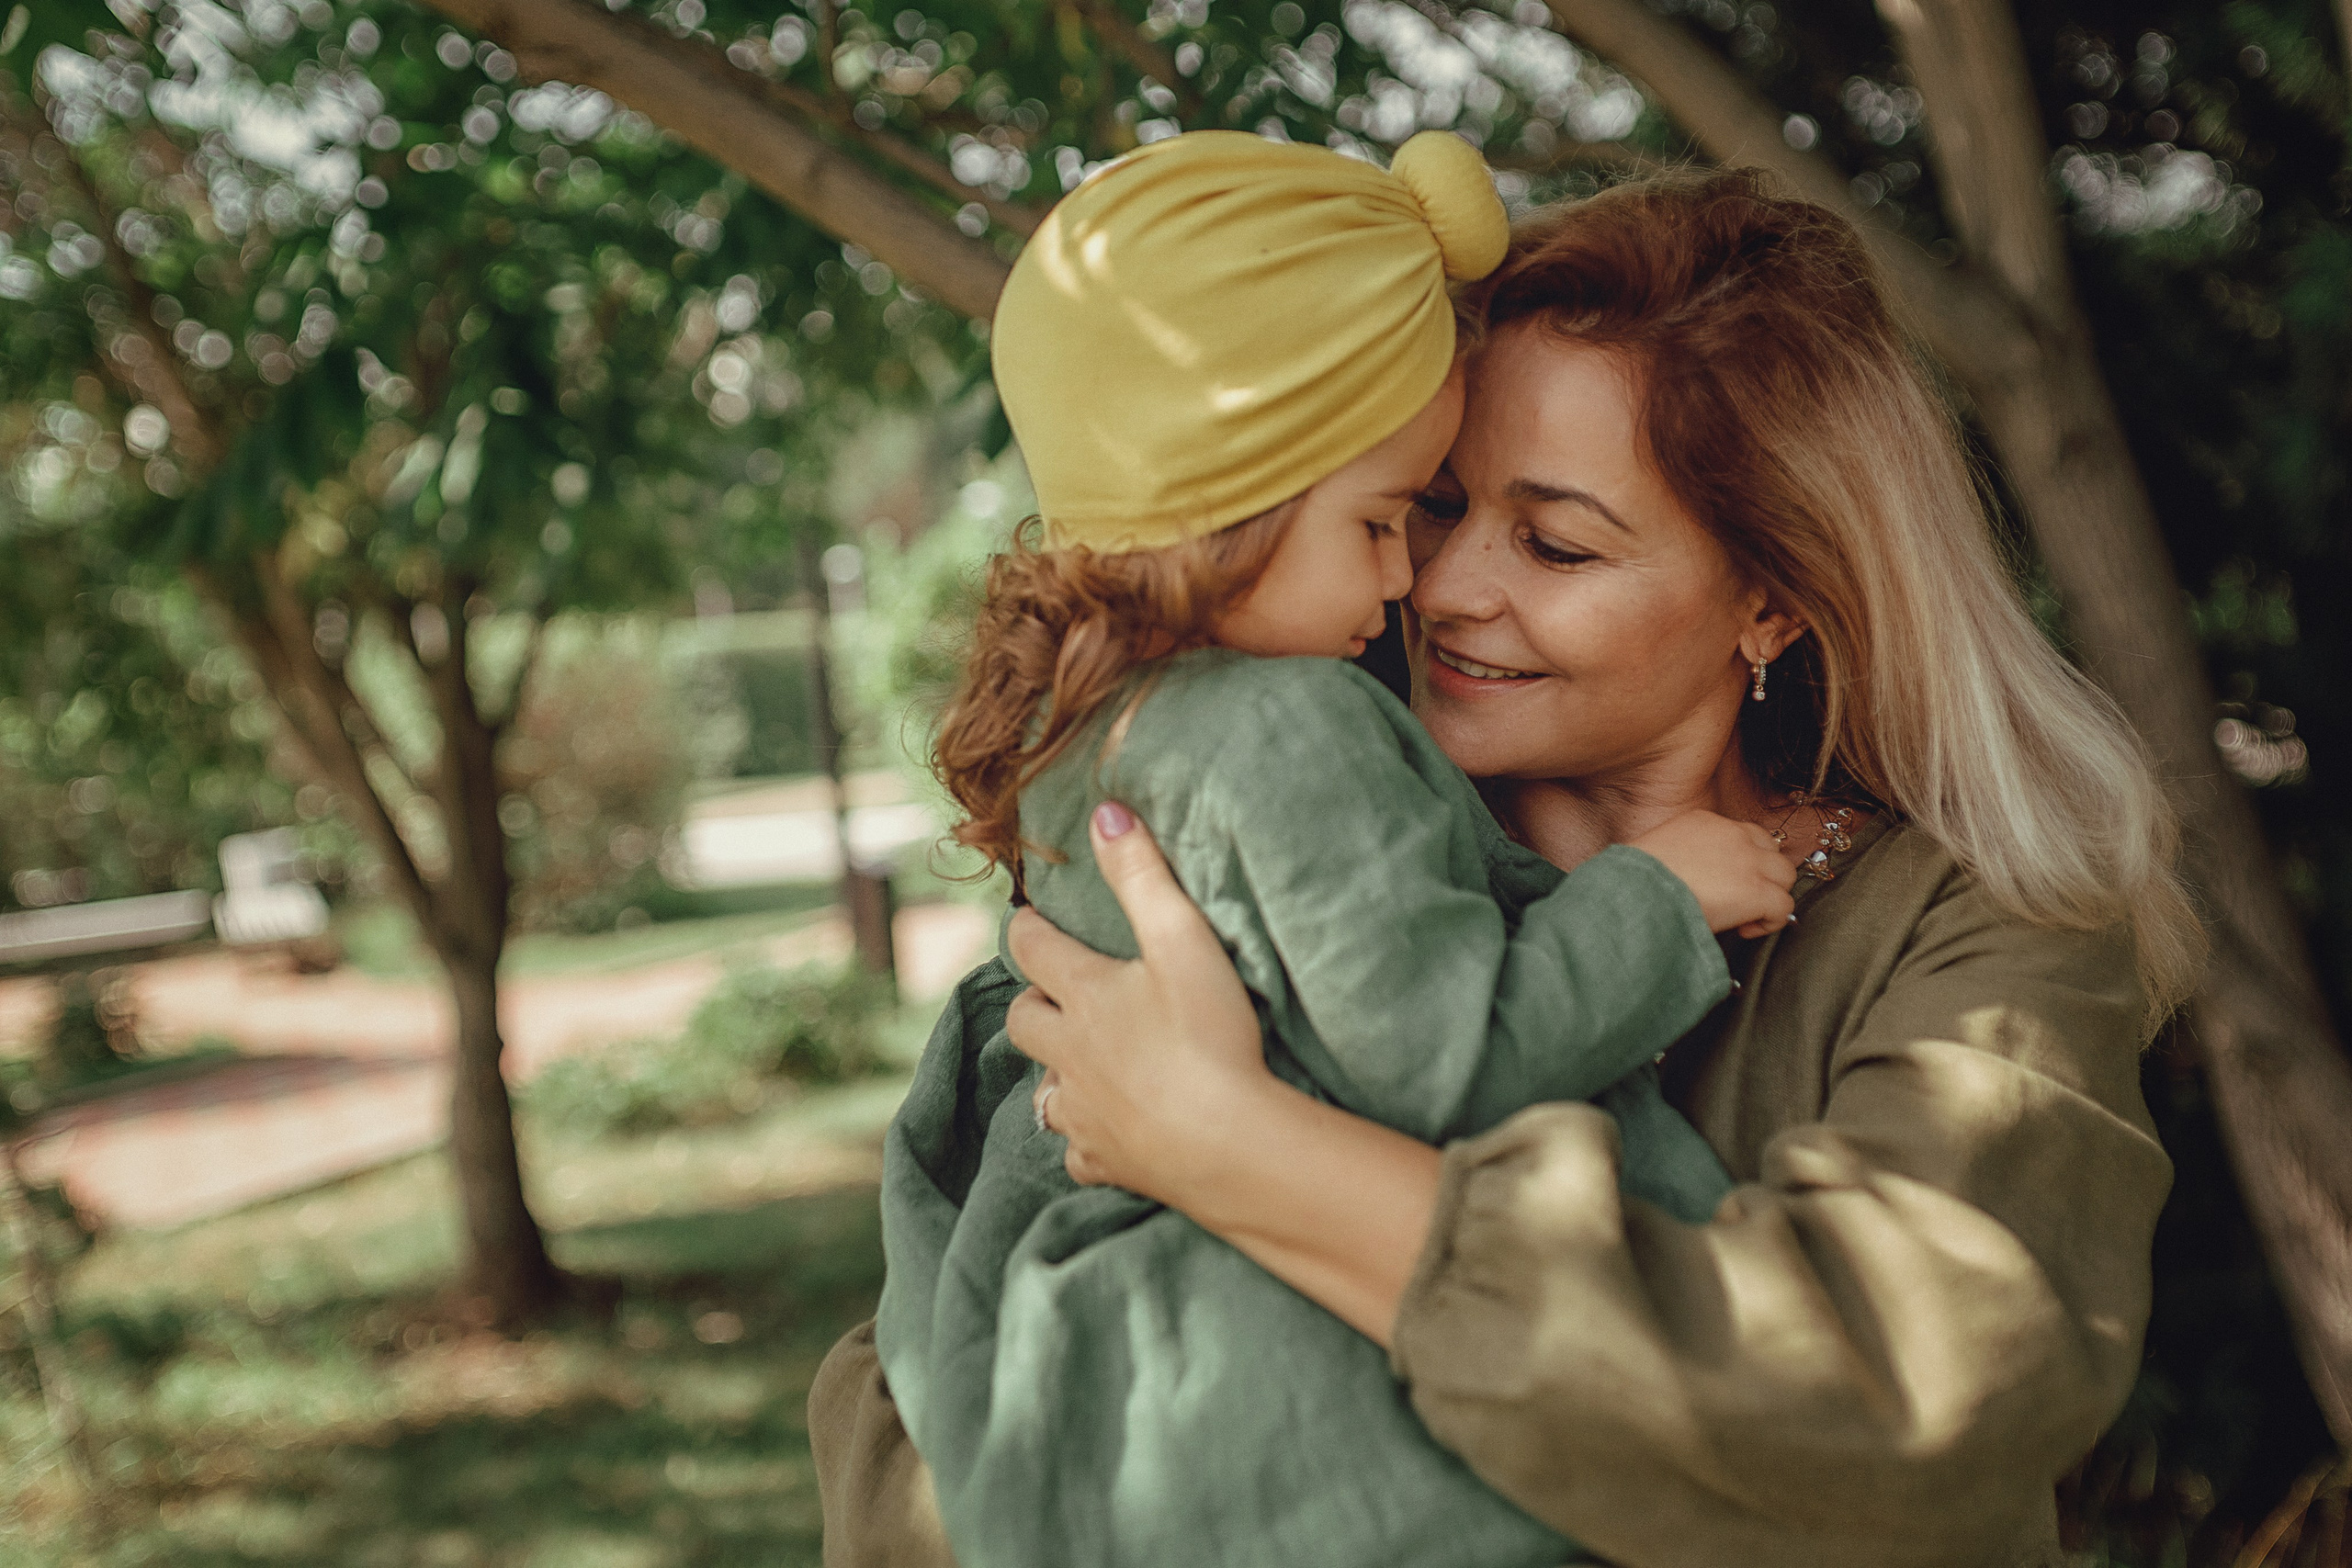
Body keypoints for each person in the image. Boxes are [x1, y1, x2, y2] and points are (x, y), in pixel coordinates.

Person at [814, 167, 2204, 1568]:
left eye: (1553, 540)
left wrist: (1236, 1149)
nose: (1446, 584)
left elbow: (1912, 1398)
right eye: (1427, 506)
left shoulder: (1976, 934)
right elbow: (934, 1391)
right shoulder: (1258, 826)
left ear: (1775, 594)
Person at [876, 130, 1800, 1568]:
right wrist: (1662, 897)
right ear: (1237, 507)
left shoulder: (1094, 722)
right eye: (1396, 517)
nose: (1413, 581)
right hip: (1280, 1351)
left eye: (1552, 545)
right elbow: (1435, 1056)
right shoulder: (1293, 728)